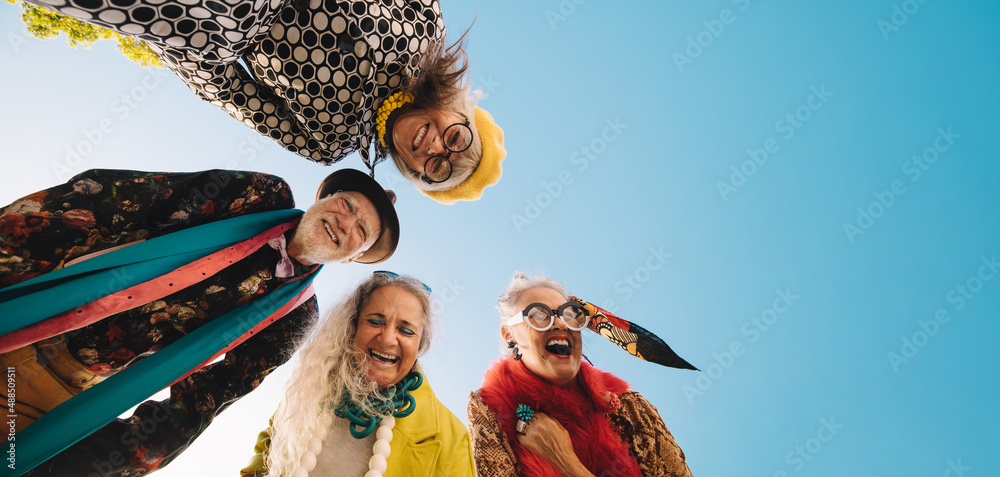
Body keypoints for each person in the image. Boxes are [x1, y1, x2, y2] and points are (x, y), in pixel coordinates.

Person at [0, 167, 399, 475]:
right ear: (325, 198)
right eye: (347, 205)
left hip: (61, 390)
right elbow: (122, 197)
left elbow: (198, 405)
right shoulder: (261, 196)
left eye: (361, 230)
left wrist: (92, 462)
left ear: (351, 257)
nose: (346, 223)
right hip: (28, 305)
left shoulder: (294, 319)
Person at [23, 0, 507, 204]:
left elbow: (228, 90)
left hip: (216, 18)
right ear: (458, 112)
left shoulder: (328, 141)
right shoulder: (427, 32)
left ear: (415, 172)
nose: (436, 147)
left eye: (440, 167)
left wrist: (183, 34)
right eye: (457, 138)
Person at [240, 271, 475, 477]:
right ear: (352, 327)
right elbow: (267, 450)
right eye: (375, 321)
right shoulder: (312, 388)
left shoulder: (452, 439)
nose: (387, 338)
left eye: (405, 330)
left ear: (420, 345)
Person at [467, 273, 698, 477]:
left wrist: (567, 464)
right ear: (509, 336)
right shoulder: (490, 412)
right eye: (538, 314)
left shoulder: (631, 409)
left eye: (568, 314)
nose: (559, 322)